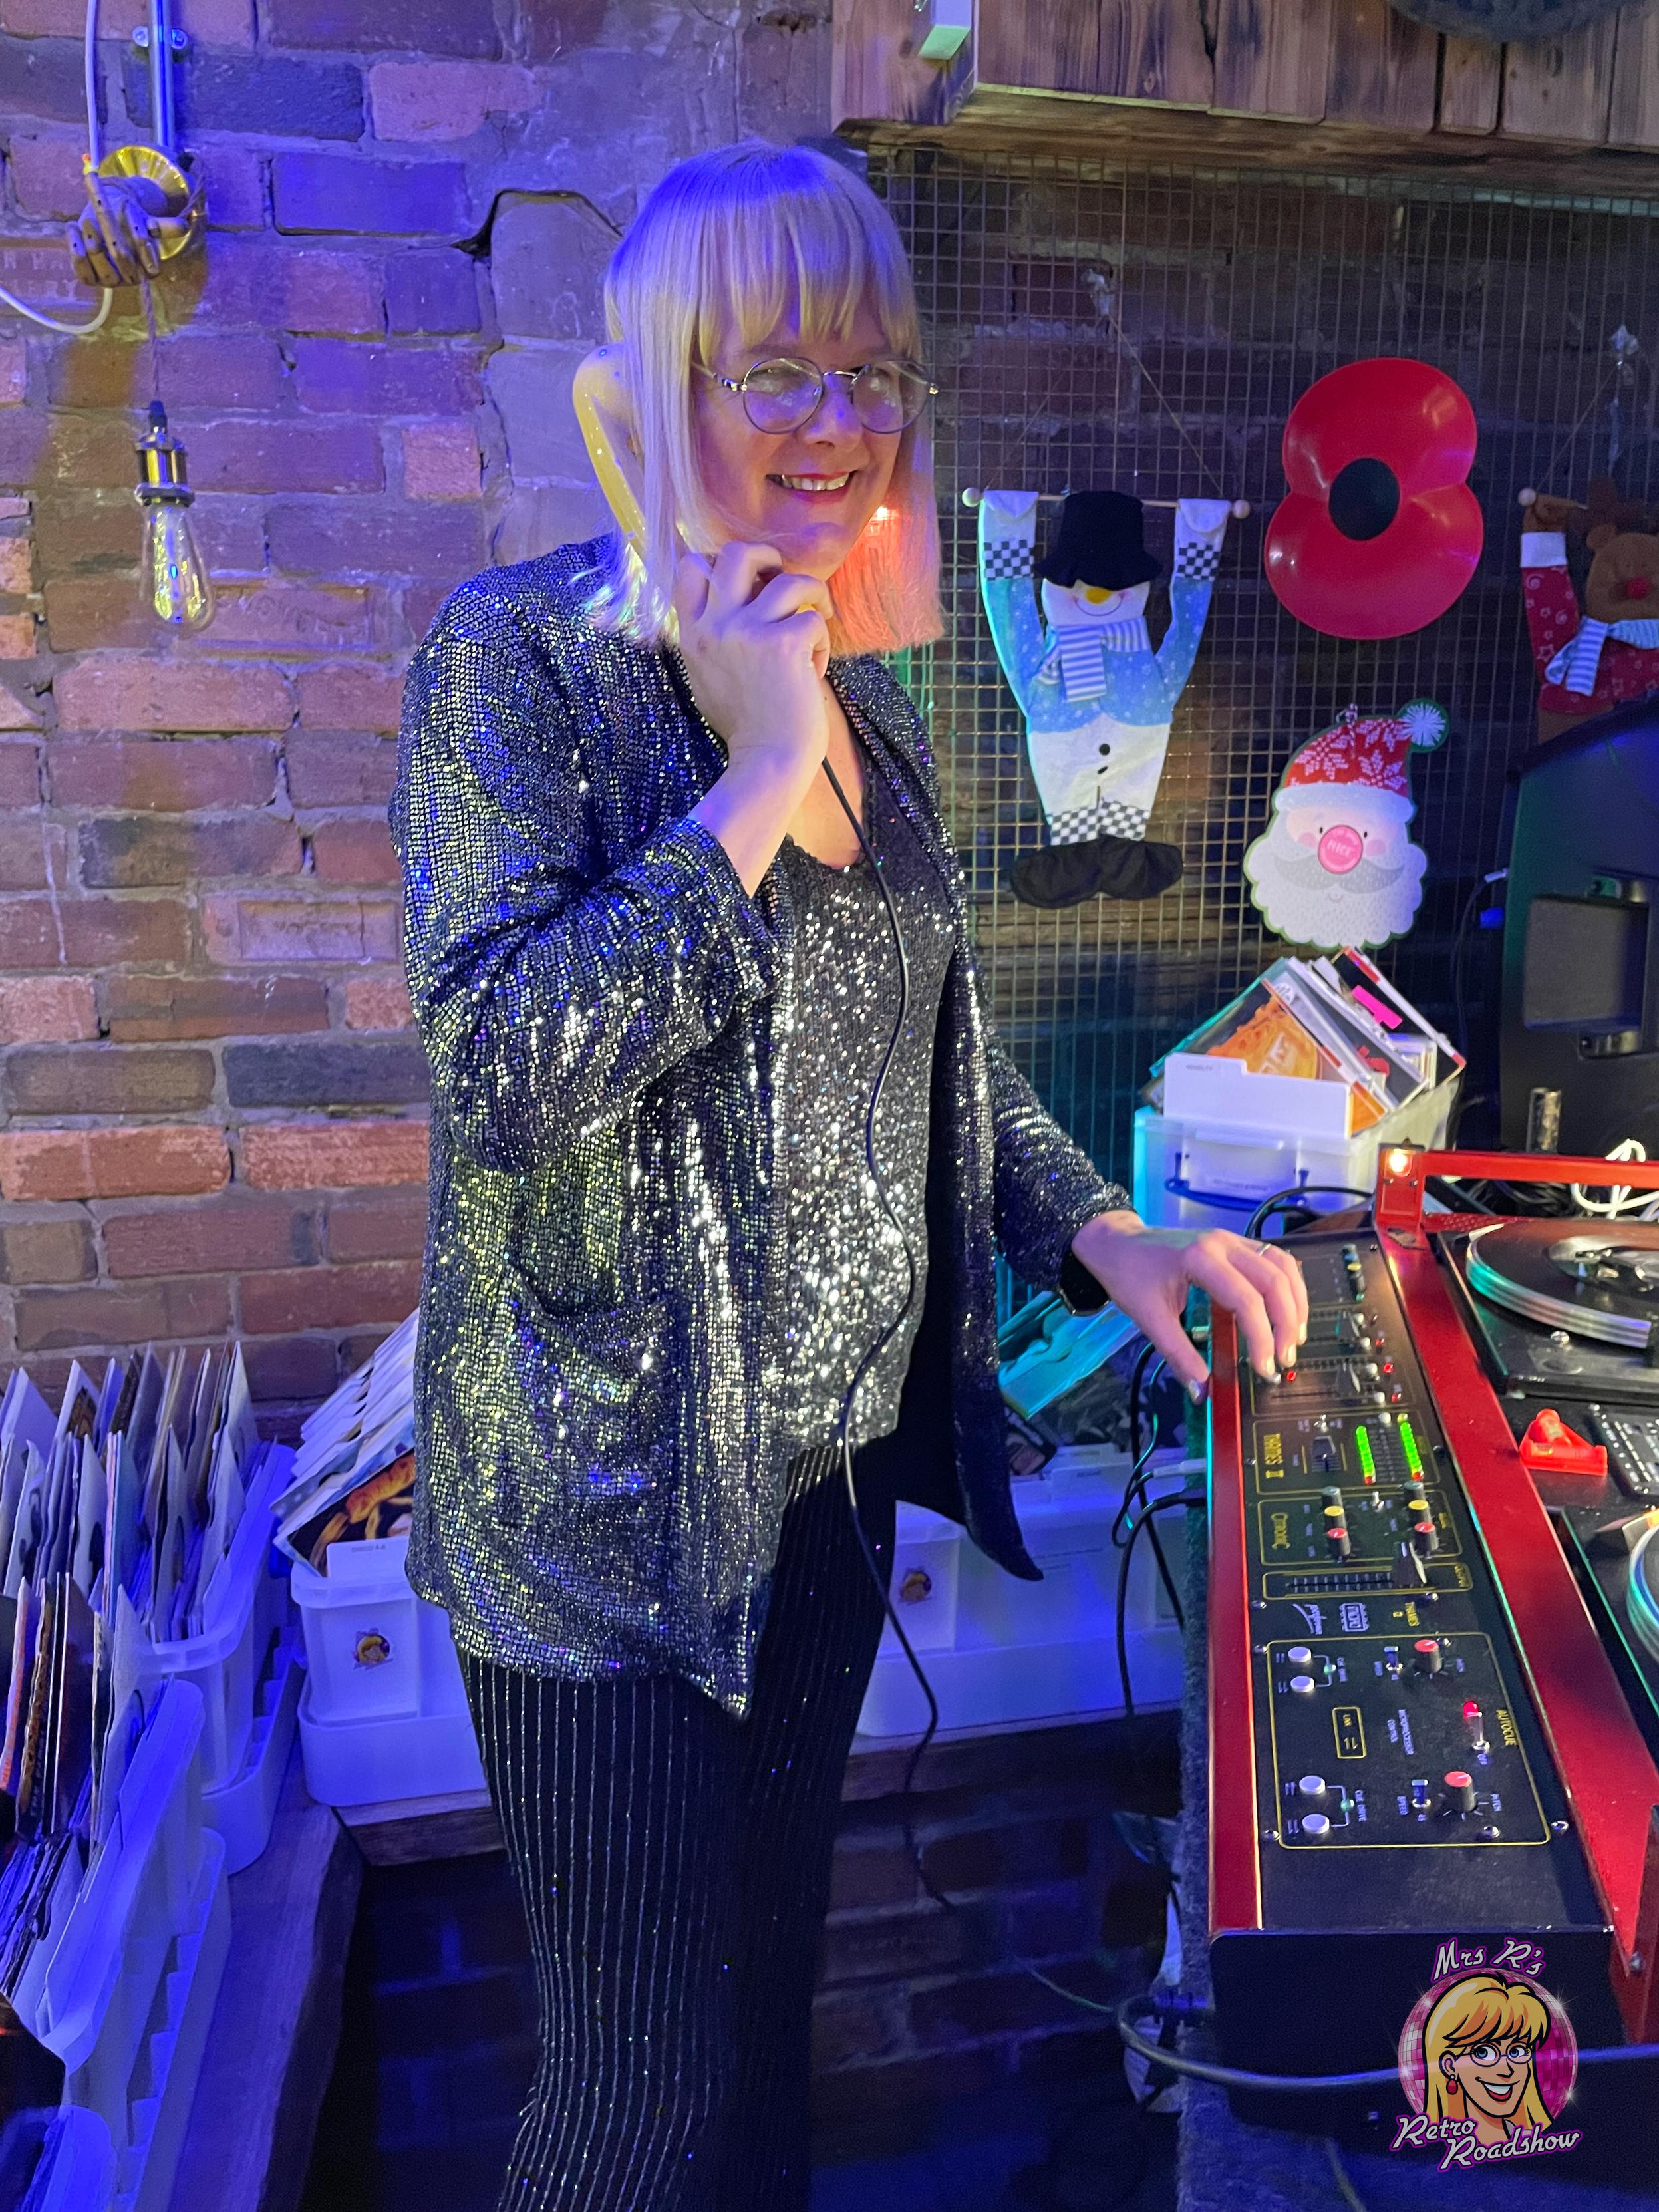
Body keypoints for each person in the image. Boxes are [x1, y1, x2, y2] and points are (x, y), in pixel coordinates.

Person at [390, 137, 1306, 2212]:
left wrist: (1100, 1223)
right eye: (777, 366)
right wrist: (743, 767)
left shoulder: (867, 703)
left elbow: (936, 1047)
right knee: (631, 2107)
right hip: (604, 1549)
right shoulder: (517, 664)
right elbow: (503, 1073)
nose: (841, 420)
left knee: (756, 2039)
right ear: (658, 379)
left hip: (816, 1497)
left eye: (873, 367)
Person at [1421, 1972, 1557, 2143]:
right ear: (1450, 2066)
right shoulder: (1428, 2154)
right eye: (1484, 2053)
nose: (1507, 2070)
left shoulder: (1532, 2142)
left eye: (1517, 2051)